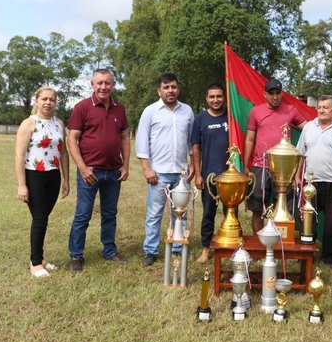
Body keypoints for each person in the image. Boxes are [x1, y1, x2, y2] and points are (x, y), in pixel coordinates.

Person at [67, 68, 130, 272]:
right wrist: (83, 168)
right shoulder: (82, 107)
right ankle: (76, 255)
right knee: (83, 214)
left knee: (110, 214)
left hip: (113, 172)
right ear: (92, 85)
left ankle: (109, 251)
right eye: (99, 83)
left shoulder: (119, 109)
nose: (104, 87)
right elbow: (72, 139)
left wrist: (126, 165)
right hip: (90, 172)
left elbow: (124, 138)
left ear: (113, 84)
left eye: (107, 83)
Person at [136, 73, 194, 266]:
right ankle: (150, 250)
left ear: (178, 89)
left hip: (182, 171)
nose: (170, 91)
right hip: (158, 172)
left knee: (180, 211)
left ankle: (178, 246)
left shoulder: (187, 111)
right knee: (155, 212)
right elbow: (142, 142)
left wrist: (193, 164)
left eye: (173, 87)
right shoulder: (150, 111)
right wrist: (147, 169)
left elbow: (191, 142)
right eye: (166, 87)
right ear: (159, 90)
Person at [15, 87, 70, 277]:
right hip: (34, 176)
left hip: (53, 176)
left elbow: (63, 153)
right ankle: (36, 263)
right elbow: (19, 155)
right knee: (39, 219)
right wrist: (22, 185)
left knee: (43, 218)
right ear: (36, 101)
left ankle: (39, 258)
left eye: (52, 100)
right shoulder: (29, 124)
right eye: (44, 99)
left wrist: (66, 179)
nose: (48, 103)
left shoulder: (59, 124)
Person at [295, 95, 332, 268]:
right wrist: (298, 176)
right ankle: (306, 254)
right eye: (319, 107)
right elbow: (300, 154)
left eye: (326, 107)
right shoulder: (308, 127)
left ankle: (329, 258)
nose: (321, 110)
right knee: (307, 221)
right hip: (310, 183)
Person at [243, 78, 307, 233]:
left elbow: (308, 129)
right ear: (265, 94)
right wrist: (245, 165)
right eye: (271, 93)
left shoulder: (291, 110)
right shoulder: (256, 111)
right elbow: (250, 139)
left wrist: (326, 124)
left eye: (278, 93)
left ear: (282, 93)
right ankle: (259, 241)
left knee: (284, 206)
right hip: (260, 166)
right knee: (257, 208)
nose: (275, 97)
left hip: (284, 169)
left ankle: (282, 244)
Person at [191, 84, 230, 263]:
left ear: (224, 97)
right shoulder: (200, 119)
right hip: (208, 177)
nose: (216, 100)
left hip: (230, 177)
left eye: (219, 96)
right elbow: (196, 147)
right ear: (207, 98)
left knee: (231, 214)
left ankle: (231, 248)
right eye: (212, 97)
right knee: (208, 213)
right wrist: (198, 174)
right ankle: (206, 249)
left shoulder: (231, 118)